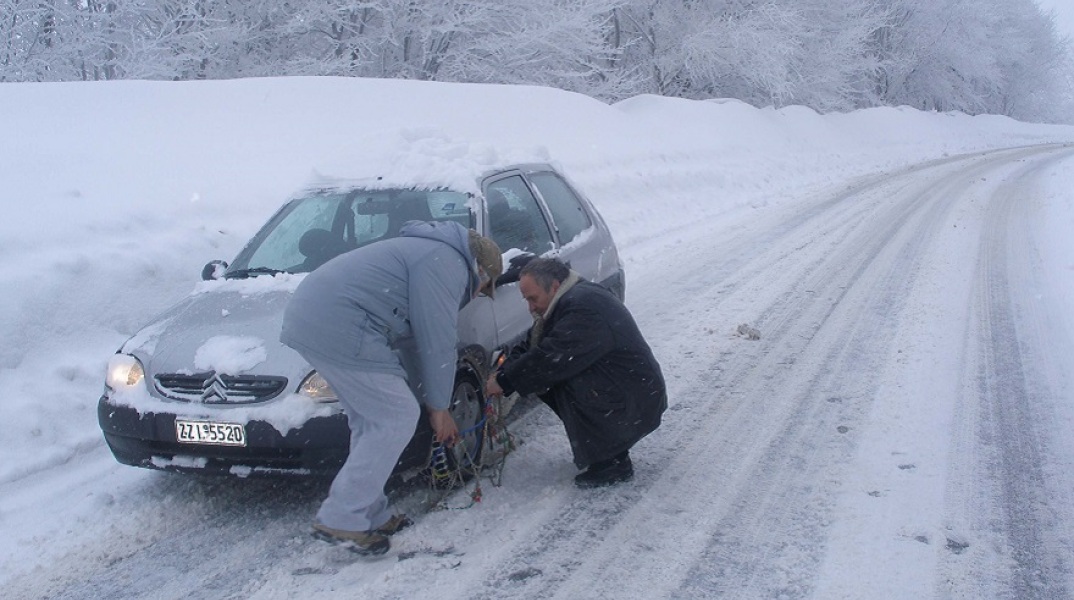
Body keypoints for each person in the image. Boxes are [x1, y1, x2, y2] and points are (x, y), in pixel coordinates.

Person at [280, 220, 502, 555]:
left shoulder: (428, 251)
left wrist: (431, 401)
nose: (477, 293)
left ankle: (369, 512)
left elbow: (414, 343)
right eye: (484, 286)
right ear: (480, 269)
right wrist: (439, 409)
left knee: (372, 421)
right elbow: (437, 340)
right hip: (340, 321)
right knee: (396, 416)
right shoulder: (447, 262)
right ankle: (342, 516)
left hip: (314, 315)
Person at [486, 257, 667, 488]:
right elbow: (533, 344)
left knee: (560, 375)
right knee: (546, 375)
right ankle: (609, 449)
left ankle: (612, 461)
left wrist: (505, 380)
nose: (530, 307)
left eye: (533, 299)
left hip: (634, 399)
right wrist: (503, 371)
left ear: (553, 286)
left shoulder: (583, 308)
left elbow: (551, 357)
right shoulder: (569, 297)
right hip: (628, 390)